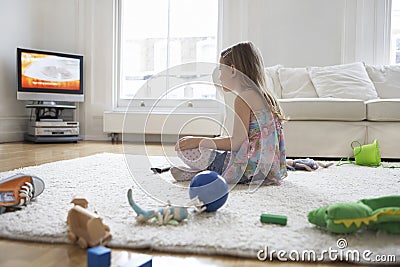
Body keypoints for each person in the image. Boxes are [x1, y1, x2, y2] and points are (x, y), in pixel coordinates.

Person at [171, 41, 287, 186]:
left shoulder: (243, 98)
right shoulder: (266, 96)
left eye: (221, 70)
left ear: (233, 70)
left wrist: (199, 140)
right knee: (212, 147)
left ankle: (207, 172)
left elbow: (237, 142)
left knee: (187, 150)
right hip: (267, 169)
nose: (219, 76)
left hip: (248, 169)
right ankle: (202, 173)